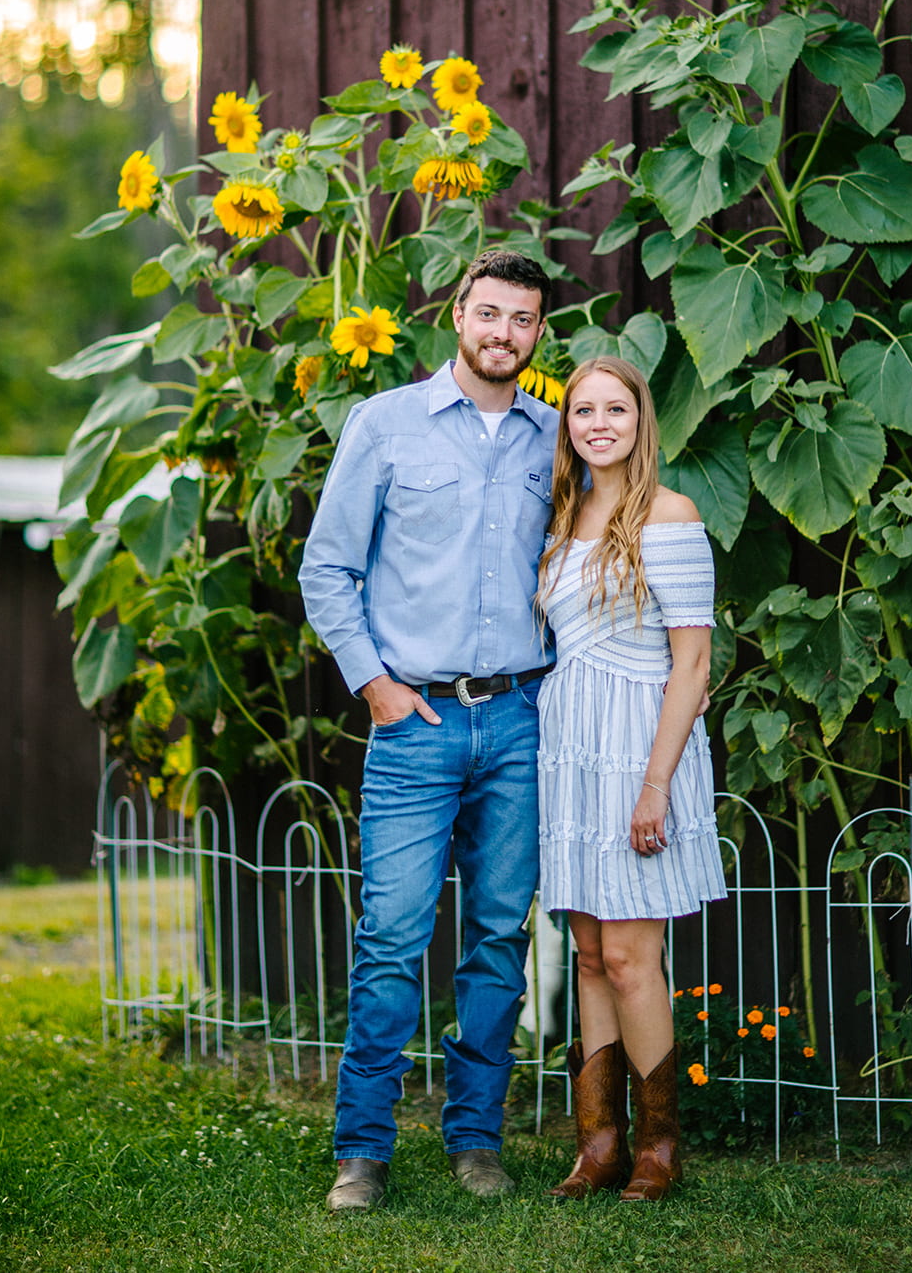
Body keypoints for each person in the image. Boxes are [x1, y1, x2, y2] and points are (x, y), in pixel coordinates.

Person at [298, 248, 558, 1214]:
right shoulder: (387, 425)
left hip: (520, 721)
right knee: (392, 936)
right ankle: (361, 1149)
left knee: (498, 937)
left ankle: (475, 1140)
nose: (502, 333)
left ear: (537, 333)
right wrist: (372, 684)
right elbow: (327, 568)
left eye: (521, 320)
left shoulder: (553, 435)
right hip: (413, 719)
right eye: (488, 313)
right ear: (457, 315)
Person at [534, 355, 726, 1202]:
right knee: (584, 953)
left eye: (615, 408)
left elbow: (692, 666)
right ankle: (597, 1141)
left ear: (640, 420)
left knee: (629, 953)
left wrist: (655, 785)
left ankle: (657, 1146)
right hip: (571, 751)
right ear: (567, 424)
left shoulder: (670, 516)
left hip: (641, 753)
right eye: (583, 411)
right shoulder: (564, 514)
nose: (598, 423)